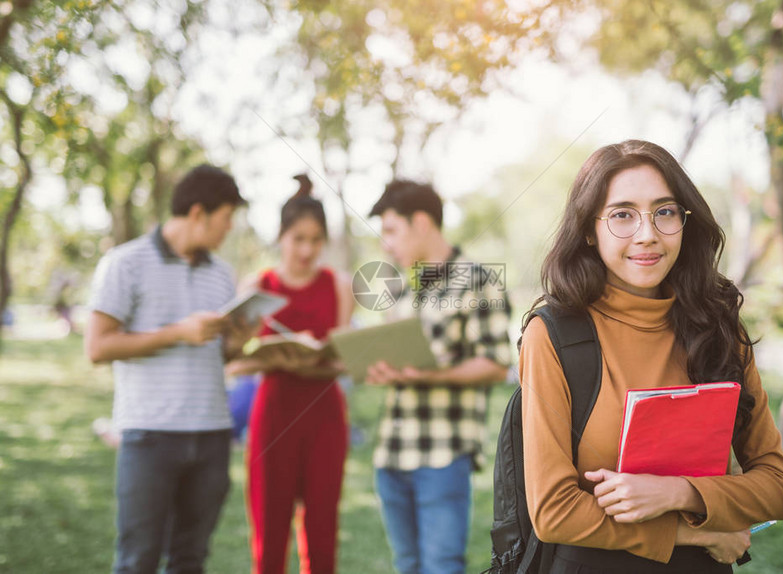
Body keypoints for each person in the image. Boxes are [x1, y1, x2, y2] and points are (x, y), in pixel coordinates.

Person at [519, 140, 783, 573]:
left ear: (686, 223)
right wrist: (696, 531)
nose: (647, 234)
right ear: (590, 230)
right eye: (622, 215)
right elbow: (554, 512)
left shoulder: (719, 327)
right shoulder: (553, 335)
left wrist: (678, 493)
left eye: (665, 212)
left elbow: (779, 488)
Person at [85, 164, 251, 574]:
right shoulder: (124, 263)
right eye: (226, 218)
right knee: (137, 558)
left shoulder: (222, 275)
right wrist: (178, 332)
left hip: (212, 435)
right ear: (199, 213)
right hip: (150, 435)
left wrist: (239, 338)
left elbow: (222, 355)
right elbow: (98, 346)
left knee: (190, 559)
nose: (228, 229)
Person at [365, 180, 513, 574]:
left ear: (422, 222)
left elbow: (497, 364)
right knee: (407, 565)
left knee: (441, 566)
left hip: (442, 456)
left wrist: (427, 376)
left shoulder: (479, 281)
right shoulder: (401, 287)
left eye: (392, 231)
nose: (386, 244)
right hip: (391, 453)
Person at [226, 174, 354, 574]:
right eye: (298, 238)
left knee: (321, 530)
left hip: (325, 417)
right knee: (270, 529)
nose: (307, 250)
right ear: (281, 236)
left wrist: (317, 360)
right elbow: (233, 362)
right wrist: (275, 360)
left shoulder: (340, 286)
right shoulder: (256, 286)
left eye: (316, 240)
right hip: (274, 414)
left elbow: (347, 359)